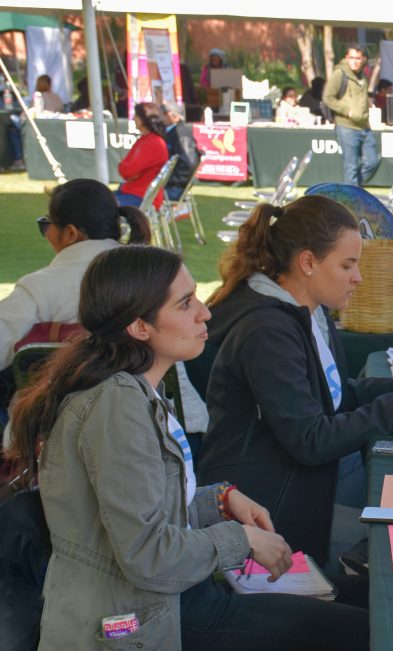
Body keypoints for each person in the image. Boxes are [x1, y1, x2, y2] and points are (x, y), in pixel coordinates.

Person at [6, 245, 368, 650]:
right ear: (140, 327)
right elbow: (146, 555)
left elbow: (137, 508)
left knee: (362, 607)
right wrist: (243, 540)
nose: (205, 312)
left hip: (171, 599)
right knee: (360, 633)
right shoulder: (116, 406)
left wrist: (217, 501)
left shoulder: (134, 391)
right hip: (144, 619)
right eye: (185, 304)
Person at [196, 196, 393, 563]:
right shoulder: (267, 332)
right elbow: (311, 439)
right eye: (347, 265)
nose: (358, 277)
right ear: (308, 262)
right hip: (270, 506)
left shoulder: (308, 311)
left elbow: (332, 395)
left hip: (300, 481)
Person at [0, 180, 149, 420]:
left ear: (70, 233)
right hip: (156, 415)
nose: (46, 233)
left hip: (56, 423)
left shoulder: (42, 286)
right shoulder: (155, 273)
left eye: (46, 224)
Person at [324, 46, 379, 187]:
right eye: (352, 58)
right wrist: (347, 111)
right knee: (351, 167)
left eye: (358, 58)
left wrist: (366, 120)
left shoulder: (361, 76)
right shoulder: (340, 74)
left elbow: (363, 100)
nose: (355, 61)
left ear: (363, 59)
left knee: (373, 161)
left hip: (364, 126)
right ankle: (350, 201)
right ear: (347, 58)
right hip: (346, 126)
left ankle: (351, 189)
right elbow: (328, 97)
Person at [115, 102, 169, 209]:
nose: (133, 118)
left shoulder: (153, 142)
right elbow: (125, 170)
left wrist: (129, 172)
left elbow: (127, 170)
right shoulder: (146, 139)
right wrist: (129, 172)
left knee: (97, 205)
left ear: (142, 120)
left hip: (141, 197)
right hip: (135, 193)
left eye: (136, 115)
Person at [162, 101, 199, 202]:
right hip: (172, 185)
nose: (162, 116)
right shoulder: (174, 132)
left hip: (174, 188)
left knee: (140, 194)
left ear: (176, 117)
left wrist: (169, 181)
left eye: (165, 113)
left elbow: (189, 163)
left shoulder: (181, 135)